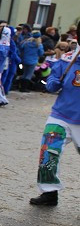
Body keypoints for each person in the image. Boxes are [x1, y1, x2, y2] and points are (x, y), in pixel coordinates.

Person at [29, 48, 80, 206]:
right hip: (61, 115)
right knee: (48, 152)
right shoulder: (67, 60)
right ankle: (49, 191)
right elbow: (52, 81)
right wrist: (53, 83)